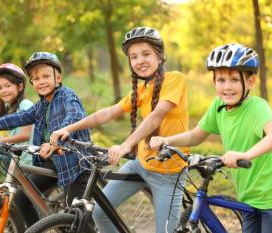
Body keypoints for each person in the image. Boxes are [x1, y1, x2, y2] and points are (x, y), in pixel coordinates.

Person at [50, 27, 189, 233]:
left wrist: (126, 145)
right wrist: (69, 128)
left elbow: (156, 116)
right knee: (99, 213)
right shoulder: (141, 90)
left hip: (168, 172)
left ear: (160, 57)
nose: (140, 60)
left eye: (146, 54)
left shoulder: (175, 79)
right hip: (140, 164)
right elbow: (108, 113)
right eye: (134, 57)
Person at [150, 43, 272, 233]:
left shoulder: (257, 107)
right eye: (221, 80)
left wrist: (245, 155)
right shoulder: (218, 106)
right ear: (214, 82)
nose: (227, 87)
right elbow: (196, 135)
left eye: (235, 79)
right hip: (249, 198)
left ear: (250, 82)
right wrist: (166, 140)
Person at [0, 52, 91, 227]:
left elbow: (75, 115)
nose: (41, 81)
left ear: (58, 77)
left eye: (46, 76)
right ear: (31, 82)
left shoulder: (67, 96)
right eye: (36, 78)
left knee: (75, 218)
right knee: (22, 198)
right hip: (50, 162)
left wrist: (59, 135)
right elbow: (15, 118)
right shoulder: (41, 105)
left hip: (74, 162)